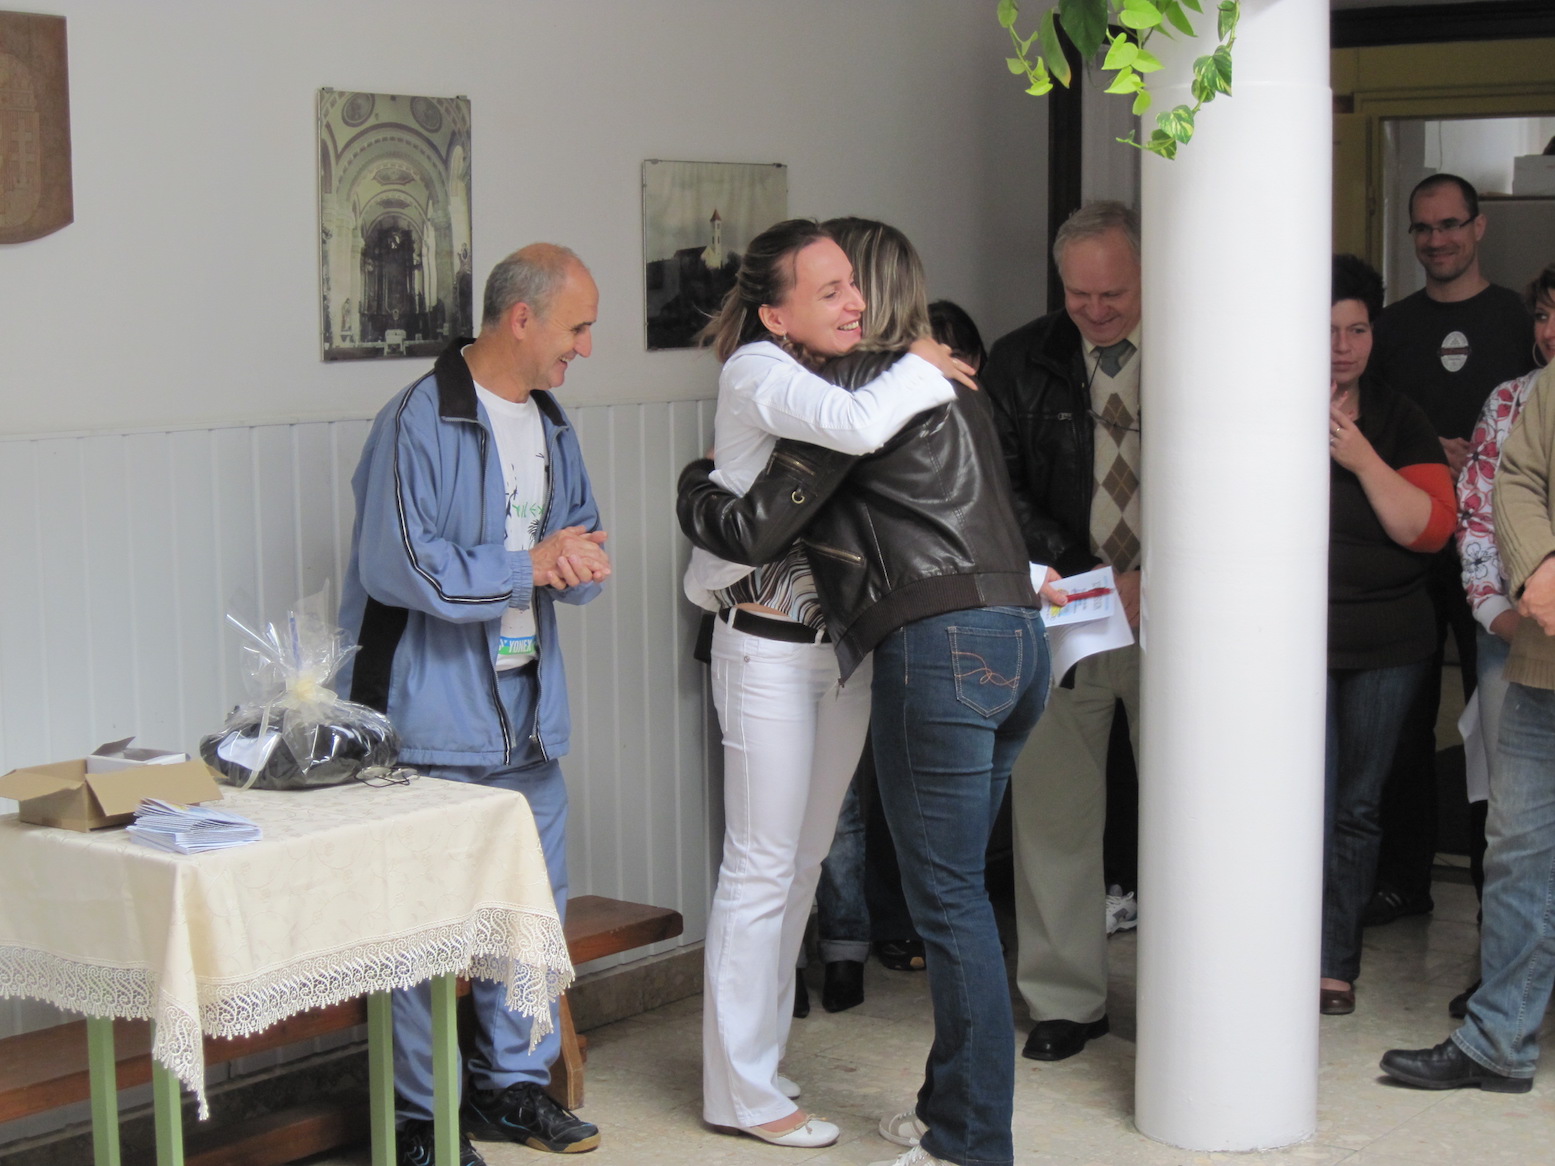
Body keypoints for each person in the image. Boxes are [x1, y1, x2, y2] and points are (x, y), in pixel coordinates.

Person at [679, 218, 1062, 1166]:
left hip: (845, 651)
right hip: (767, 647)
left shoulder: (855, 380)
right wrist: (924, 364)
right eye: (828, 291)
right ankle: (740, 1090)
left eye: (853, 284)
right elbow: (837, 452)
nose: (852, 303)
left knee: (804, 863)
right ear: (776, 315)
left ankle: (762, 1065)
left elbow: (907, 505)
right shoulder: (765, 371)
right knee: (762, 866)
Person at [338, 244, 612, 1166]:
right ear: (521, 318)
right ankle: (423, 1119)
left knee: (527, 916)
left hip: (526, 716)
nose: (584, 347)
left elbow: (577, 537)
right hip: (430, 720)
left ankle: (512, 1089)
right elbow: (399, 565)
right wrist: (529, 566)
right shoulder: (417, 417)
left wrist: (577, 563)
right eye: (577, 327)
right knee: (422, 931)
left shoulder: (552, 421)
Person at [979, 200, 1143, 1063]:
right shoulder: (1020, 362)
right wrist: (1091, 578)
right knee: (1051, 809)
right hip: (1067, 609)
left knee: (1192, 809)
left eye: (1113, 292)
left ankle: (1195, 993)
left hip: (1174, 610)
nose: (1096, 309)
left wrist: (1160, 574)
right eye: (1080, 294)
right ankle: (1064, 1000)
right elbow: (1000, 491)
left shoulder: (1198, 345)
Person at [1379, 355, 1555, 1093]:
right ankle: (1497, 1042)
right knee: (1516, 848)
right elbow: (1516, 477)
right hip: (1544, 659)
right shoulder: (1545, 391)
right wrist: (1539, 564)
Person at [1365, 174, 1533, 934]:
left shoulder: (1519, 321)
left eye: (1451, 225)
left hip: (1502, 562)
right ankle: (1404, 880)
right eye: (1423, 228)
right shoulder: (1389, 329)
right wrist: (1425, 446)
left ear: (1479, 227)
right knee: (1404, 719)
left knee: (1501, 729)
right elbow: (1362, 427)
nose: (1437, 240)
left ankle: (1494, 893)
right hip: (1410, 551)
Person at [1321, 254, 1456, 1015]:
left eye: (1357, 330)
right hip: (1292, 644)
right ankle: (1277, 951)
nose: (1343, 346)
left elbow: (1428, 529)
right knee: (1296, 801)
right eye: (1328, 331)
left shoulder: (1399, 417)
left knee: (1356, 805)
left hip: (1385, 645)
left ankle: (1332, 964)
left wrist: (1359, 455)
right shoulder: (1265, 410)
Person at [1447, 263, 1555, 1018]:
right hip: (1518, 640)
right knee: (1513, 834)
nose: (1551, 330)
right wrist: (1503, 611)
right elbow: (1483, 506)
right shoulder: (1514, 400)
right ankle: (1503, 1011)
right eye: (1543, 314)